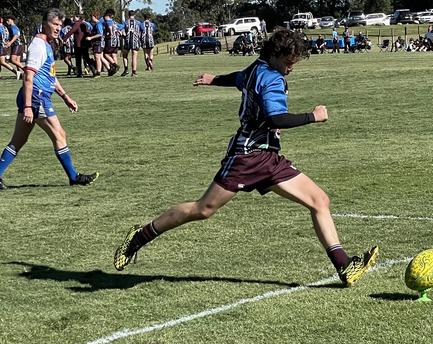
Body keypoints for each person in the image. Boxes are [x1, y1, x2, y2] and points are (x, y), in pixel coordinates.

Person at [113, 29, 378, 286]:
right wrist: (314, 116)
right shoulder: (272, 77)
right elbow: (276, 118)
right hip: (247, 157)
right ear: (275, 55)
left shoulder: (257, 67)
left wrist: (214, 79)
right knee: (203, 209)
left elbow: (238, 77)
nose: (291, 68)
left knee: (319, 200)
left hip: (267, 157)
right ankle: (140, 236)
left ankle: (344, 266)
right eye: (288, 62)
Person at [0, 8, 99, 190]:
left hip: (35, 96)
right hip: (36, 97)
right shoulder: (38, 45)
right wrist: (29, 106)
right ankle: (73, 177)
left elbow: (50, 76)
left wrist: (65, 96)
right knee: (59, 134)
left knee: (18, 140)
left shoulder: (47, 44)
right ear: (45, 24)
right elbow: (28, 76)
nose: (58, 28)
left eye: (60, 25)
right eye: (55, 24)